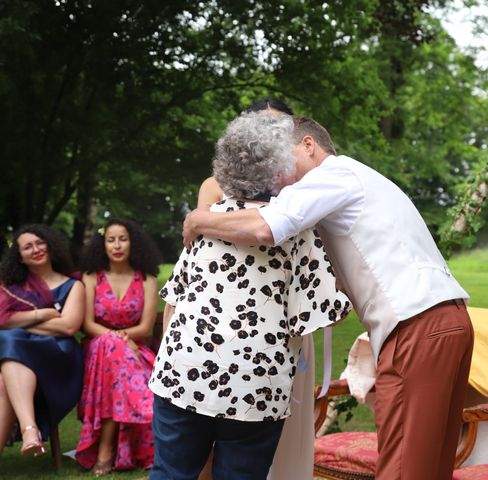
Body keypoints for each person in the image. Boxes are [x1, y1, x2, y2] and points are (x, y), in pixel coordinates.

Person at [182, 115, 474, 480]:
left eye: (283, 163)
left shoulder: (332, 176)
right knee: (430, 465)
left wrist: (198, 219)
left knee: (403, 467)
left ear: (308, 145)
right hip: (449, 322)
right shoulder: (358, 180)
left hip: (416, 326)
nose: (280, 179)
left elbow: (264, 226)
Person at [149, 112, 350, 480]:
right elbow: (326, 312)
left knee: (171, 472)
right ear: (282, 168)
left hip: (184, 369)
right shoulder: (297, 231)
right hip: (256, 383)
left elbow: (174, 300)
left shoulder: (205, 221)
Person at [75, 218, 161, 475]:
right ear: (102, 244)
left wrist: (120, 341)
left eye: (122, 238)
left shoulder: (146, 279)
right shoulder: (91, 278)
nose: (117, 245)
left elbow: (145, 329)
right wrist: (117, 340)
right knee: (110, 348)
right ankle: (111, 444)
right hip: (98, 350)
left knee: (117, 356)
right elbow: (88, 324)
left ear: (132, 243)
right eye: (111, 239)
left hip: (136, 351)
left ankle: (105, 449)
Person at [0, 224, 84, 458]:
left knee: (10, 337)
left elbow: (68, 326)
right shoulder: (11, 287)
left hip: (57, 357)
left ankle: (29, 430)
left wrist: (19, 322)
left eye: (40, 243)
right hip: (16, 360)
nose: (35, 249)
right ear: (20, 257)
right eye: (27, 247)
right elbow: (2, 321)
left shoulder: (73, 285)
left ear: (50, 245)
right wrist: (41, 315)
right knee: (4, 370)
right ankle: (30, 430)